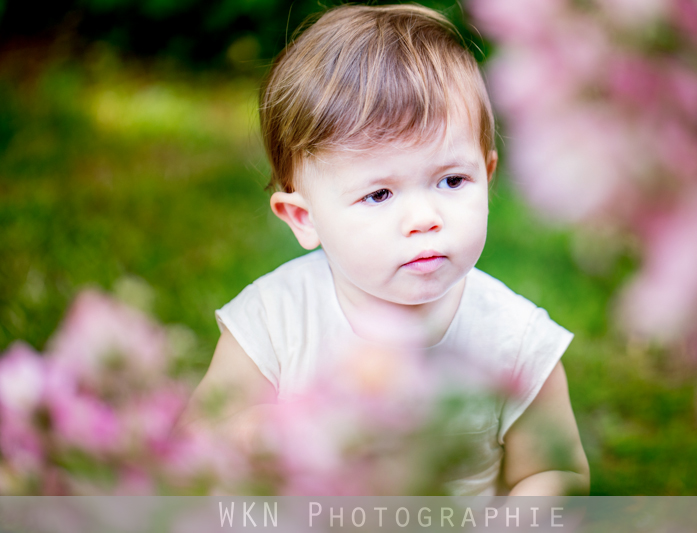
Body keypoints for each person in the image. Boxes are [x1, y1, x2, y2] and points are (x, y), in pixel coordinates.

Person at [179, 4, 589, 496]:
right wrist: (252, 435)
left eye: (452, 180)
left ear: (489, 175)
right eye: (379, 194)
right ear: (304, 218)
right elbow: (194, 445)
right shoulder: (276, 319)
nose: (423, 218)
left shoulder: (514, 339)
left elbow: (554, 472)